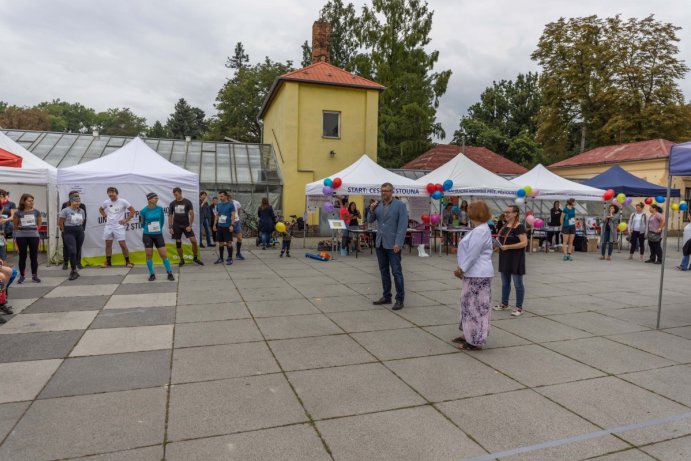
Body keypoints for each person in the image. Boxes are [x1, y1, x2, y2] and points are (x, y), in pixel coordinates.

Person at [452, 201, 494, 350]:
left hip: (477, 273)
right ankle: (468, 333)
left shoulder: (480, 231)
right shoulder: (481, 229)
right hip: (475, 273)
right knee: (469, 305)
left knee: (475, 307)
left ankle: (475, 340)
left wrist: (461, 269)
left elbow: (473, 253)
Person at [368, 182, 408, 310]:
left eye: (386, 190)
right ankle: (386, 296)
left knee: (396, 272)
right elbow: (370, 220)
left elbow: (402, 225)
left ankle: (400, 299)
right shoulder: (378, 205)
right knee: (383, 271)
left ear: (392, 192)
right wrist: (371, 209)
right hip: (380, 243)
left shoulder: (400, 205)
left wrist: (398, 243)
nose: (383, 193)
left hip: (393, 244)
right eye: (382, 190)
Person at [493, 205, 528, 316]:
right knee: (505, 283)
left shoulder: (519, 227)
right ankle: (504, 303)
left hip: (516, 258)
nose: (506, 214)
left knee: (518, 284)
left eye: (509, 212)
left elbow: (524, 243)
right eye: (505, 211)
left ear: (515, 213)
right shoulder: (504, 226)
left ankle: (519, 307)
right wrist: (497, 246)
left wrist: (508, 247)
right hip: (504, 257)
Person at [140, 193, 175, 281]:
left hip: (158, 234)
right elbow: (141, 223)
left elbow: (162, 221)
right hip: (147, 235)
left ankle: (169, 272)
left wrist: (157, 229)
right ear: (149, 199)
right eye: (155, 198)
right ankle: (152, 274)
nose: (157, 199)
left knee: (163, 254)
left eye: (157, 198)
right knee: (149, 255)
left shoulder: (159, 209)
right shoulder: (143, 211)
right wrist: (148, 228)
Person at [99, 187, 135, 268]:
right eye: (109, 192)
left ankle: (128, 261)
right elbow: (101, 209)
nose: (111, 194)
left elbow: (132, 211)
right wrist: (105, 216)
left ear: (116, 193)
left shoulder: (123, 201)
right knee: (108, 244)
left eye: (112, 192)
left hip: (119, 226)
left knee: (122, 244)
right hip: (109, 226)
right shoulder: (106, 202)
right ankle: (108, 262)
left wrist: (126, 220)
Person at [169, 187, 203, 267]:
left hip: (186, 225)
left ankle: (195, 257)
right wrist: (170, 227)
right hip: (176, 226)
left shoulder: (187, 202)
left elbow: (192, 214)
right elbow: (170, 215)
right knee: (178, 243)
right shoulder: (172, 203)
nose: (175, 196)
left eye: (176, 195)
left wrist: (190, 225)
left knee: (194, 241)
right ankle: (182, 260)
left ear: (180, 193)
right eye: (174, 195)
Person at [13, 193, 42, 283]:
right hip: (21, 236)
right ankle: (22, 276)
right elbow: (15, 226)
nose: (31, 202)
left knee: (34, 256)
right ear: (23, 201)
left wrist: (33, 230)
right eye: (29, 201)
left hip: (33, 235)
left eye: (32, 201)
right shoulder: (18, 212)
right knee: (22, 256)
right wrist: (23, 228)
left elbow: (39, 224)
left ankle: (34, 275)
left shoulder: (36, 212)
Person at [58, 195, 86, 281]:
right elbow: (60, 222)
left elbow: (82, 220)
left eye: (78, 201)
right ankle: (73, 271)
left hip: (79, 231)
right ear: (71, 201)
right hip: (69, 232)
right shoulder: (65, 210)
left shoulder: (81, 210)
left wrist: (80, 228)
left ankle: (75, 269)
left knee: (77, 251)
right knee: (72, 251)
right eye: (75, 201)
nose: (78, 203)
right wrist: (63, 230)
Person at [213, 191, 235, 264]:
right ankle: (221, 258)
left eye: (222, 196)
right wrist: (214, 225)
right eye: (220, 196)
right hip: (220, 226)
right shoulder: (218, 205)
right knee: (221, 243)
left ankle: (230, 258)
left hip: (227, 227)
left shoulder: (231, 205)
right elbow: (217, 215)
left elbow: (233, 215)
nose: (220, 198)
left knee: (229, 242)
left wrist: (232, 225)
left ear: (226, 196)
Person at [0, 190, 16, 261]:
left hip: (7, 222)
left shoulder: (11, 204)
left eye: (3, 196)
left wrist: (4, 220)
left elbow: (13, 217)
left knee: (3, 224)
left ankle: (2, 236)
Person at [228, 193, 245, 260]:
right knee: (229, 240)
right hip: (228, 222)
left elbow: (238, 210)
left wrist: (237, 216)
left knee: (239, 238)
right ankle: (230, 255)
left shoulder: (236, 202)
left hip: (236, 221)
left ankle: (238, 253)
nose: (229, 198)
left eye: (229, 197)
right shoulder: (225, 204)